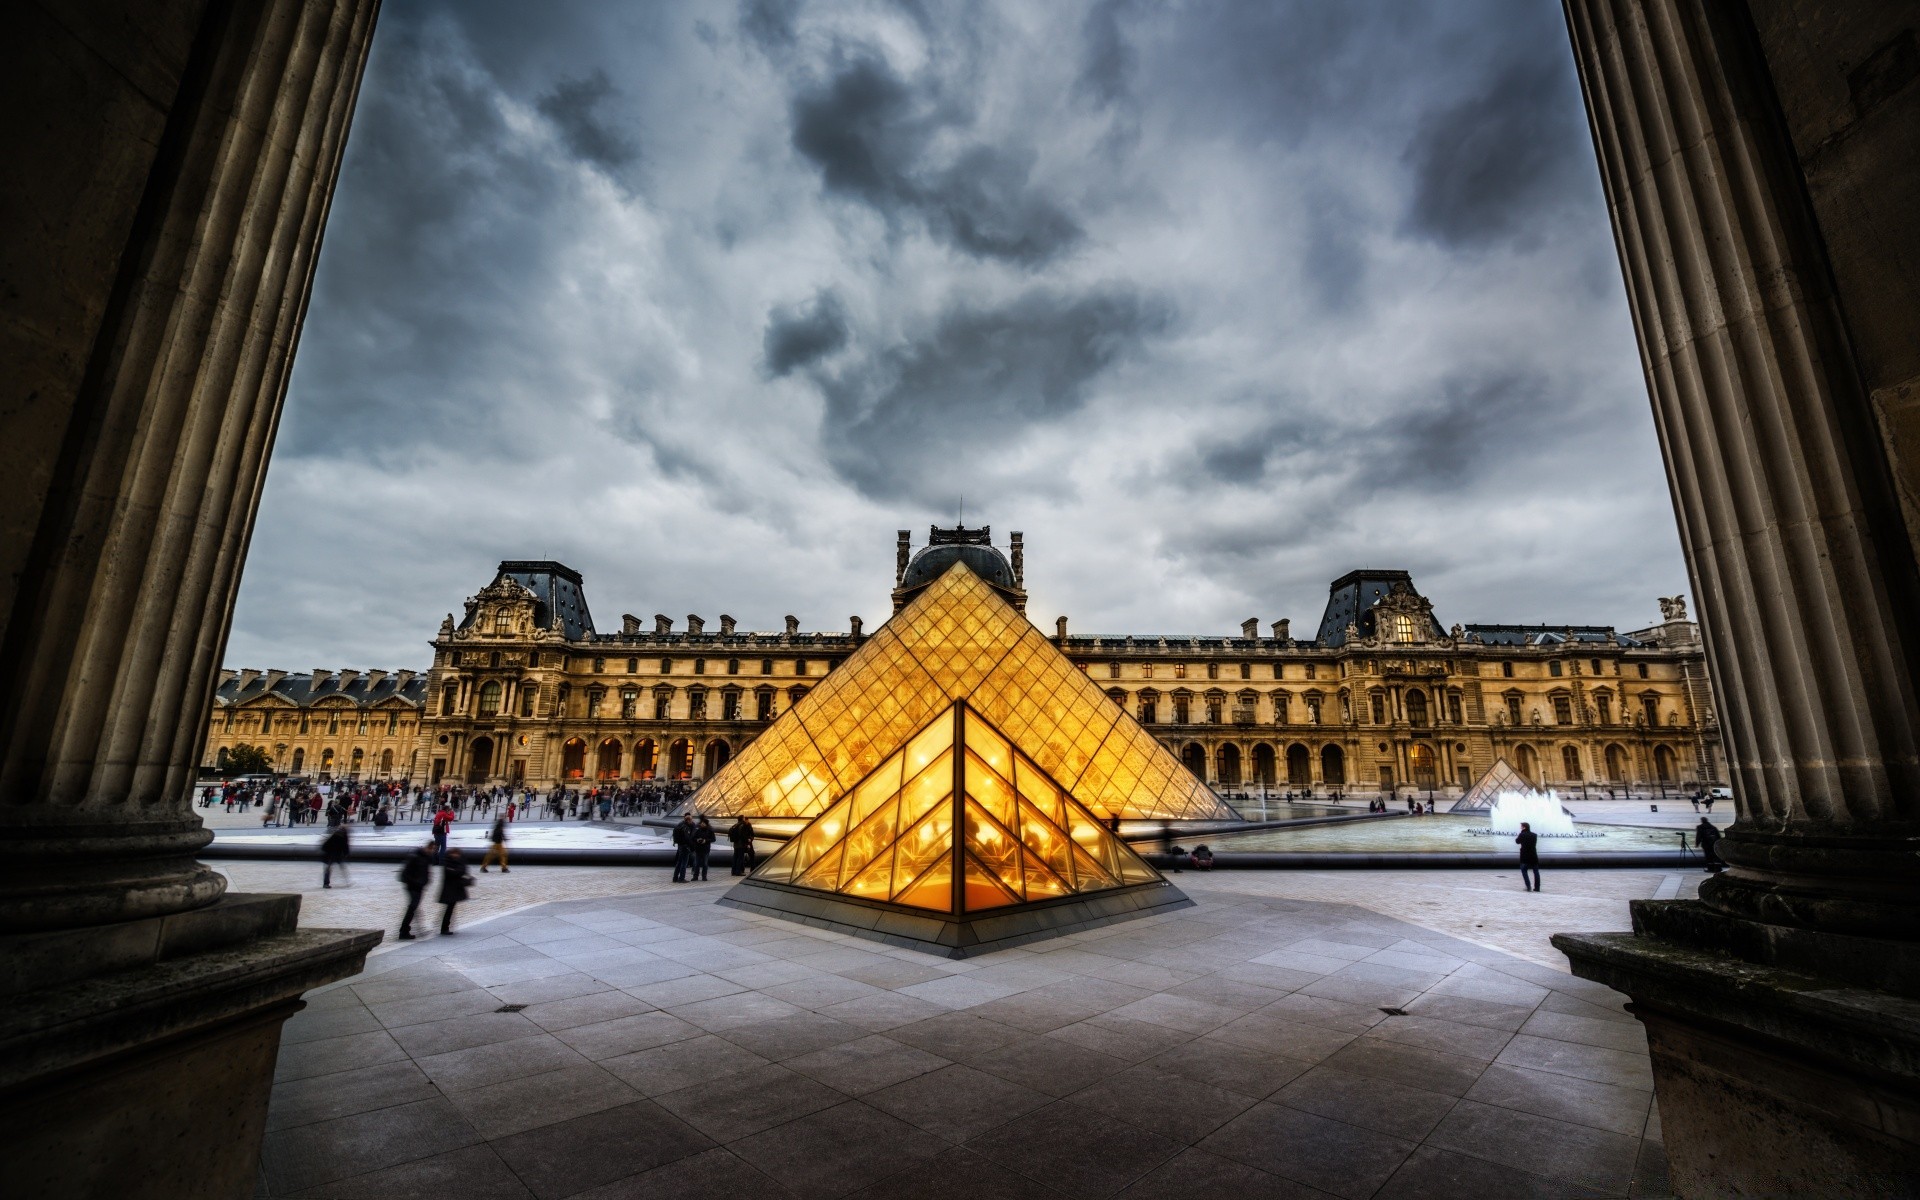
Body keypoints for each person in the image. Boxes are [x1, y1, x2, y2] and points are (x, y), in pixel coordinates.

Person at [398, 843, 432, 939]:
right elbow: (405, 873)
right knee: (412, 907)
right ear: (428, 848)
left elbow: (425, 872)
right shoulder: (415, 856)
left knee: (413, 908)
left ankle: (406, 930)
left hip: (418, 887)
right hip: (413, 887)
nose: (433, 851)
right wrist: (416, 882)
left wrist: (424, 882)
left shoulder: (426, 857)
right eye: (433, 849)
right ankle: (404, 931)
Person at [439, 848, 474, 934]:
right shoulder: (448, 861)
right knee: (449, 907)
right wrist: (457, 871)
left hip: (455, 888)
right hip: (450, 888)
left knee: (450, 907)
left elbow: (461, 871)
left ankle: (445, 927)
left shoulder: (457, 861)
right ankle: (444, 928)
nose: (456, 856)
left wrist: (456, 871)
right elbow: (454, 872)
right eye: (454, 854)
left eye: (457, 854)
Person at [321, 822, 350, 888]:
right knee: (341, 867)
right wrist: (346, 854)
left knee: (328, 869)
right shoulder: (343, 836)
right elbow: (345, 846)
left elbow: (325, 845)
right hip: (335, 854)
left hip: (330, 854)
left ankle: (326, 883)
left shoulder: (335, 835)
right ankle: (347, 881)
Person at [671, 812, 696, 882]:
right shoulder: (686, 828)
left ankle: (675, 878)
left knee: (679, 862)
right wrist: (691, 846)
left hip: (680, 846)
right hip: (685, 847)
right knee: (684, 863)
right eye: (691, 820)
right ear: (688, 820)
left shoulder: (680, 824)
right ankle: (681, 878)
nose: (692, 822)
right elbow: (687, 838)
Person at [1516, 821, 1541, 892]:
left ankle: (1528, 886)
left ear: (1524, 827)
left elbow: (1517, 841)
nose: (1520, 827)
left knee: (1524, 870)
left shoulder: (1522, 834)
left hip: (1525, 856)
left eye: (1521, 826)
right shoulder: (1534, 835)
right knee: (1536, 871)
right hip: (1533, 855)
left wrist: (1520, 834)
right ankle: (1537, 888)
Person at [692, 816, 716, 881]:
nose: (702, 824)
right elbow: (693, 838)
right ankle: (695, 876)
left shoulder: (710, 831)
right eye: (701, 823)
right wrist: (697, 840)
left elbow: (713, 839)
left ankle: (704, 876)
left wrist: (706, 841)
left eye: (703, 823)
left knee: (705, 864)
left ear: (706, 824)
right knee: (697, 864)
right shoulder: (698, 830)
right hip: (698, 849)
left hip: (706, 849)